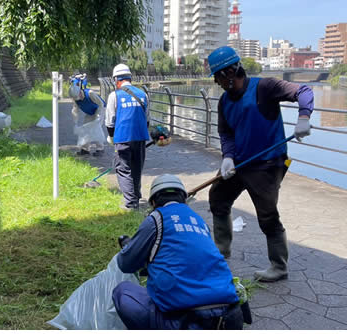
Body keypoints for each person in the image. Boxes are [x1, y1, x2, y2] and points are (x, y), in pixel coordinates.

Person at [207, 46, 314, 282]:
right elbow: (226, 133)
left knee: (267, 215)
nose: (217, 83)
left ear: (229, 73)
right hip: (239, 163)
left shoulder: (265, 87)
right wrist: (227, 157)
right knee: (218, 198)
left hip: (267, 163)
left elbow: (304, 91)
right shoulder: (224, 101)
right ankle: (221, 253)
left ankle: (279, 266)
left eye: (217, 78)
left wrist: (304, 117)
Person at [112, 174, 244, 330]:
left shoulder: (156, 218)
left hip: (184, 321)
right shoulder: (199, 221)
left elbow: (125, 264)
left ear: (154, 202)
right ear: (183, 198)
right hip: (229, 316)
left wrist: (134, 249)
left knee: (123, 292)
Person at [105, 64, 150, 210]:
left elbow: (110, 121)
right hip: (140, 137)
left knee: (123, 169)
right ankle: (135, 196)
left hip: (122, 137)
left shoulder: (114, 96)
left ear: (116, 80)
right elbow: (147, 119)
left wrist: (111, 137)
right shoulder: (143, 94)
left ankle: (131, 204)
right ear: (130, 78)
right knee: (137, 168)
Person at [68, 73, 106, 155]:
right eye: (75, 98)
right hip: (90, 113)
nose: (78, 99)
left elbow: (101, 104)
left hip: (100, 110)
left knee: (95, 129)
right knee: (85, 129)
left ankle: (100, 149)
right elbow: (75, 110)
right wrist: (75, 122)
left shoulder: (90, 93)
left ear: (80, 92)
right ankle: (85, 149)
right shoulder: (76, 99)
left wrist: (98, 116)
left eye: (78, 97)